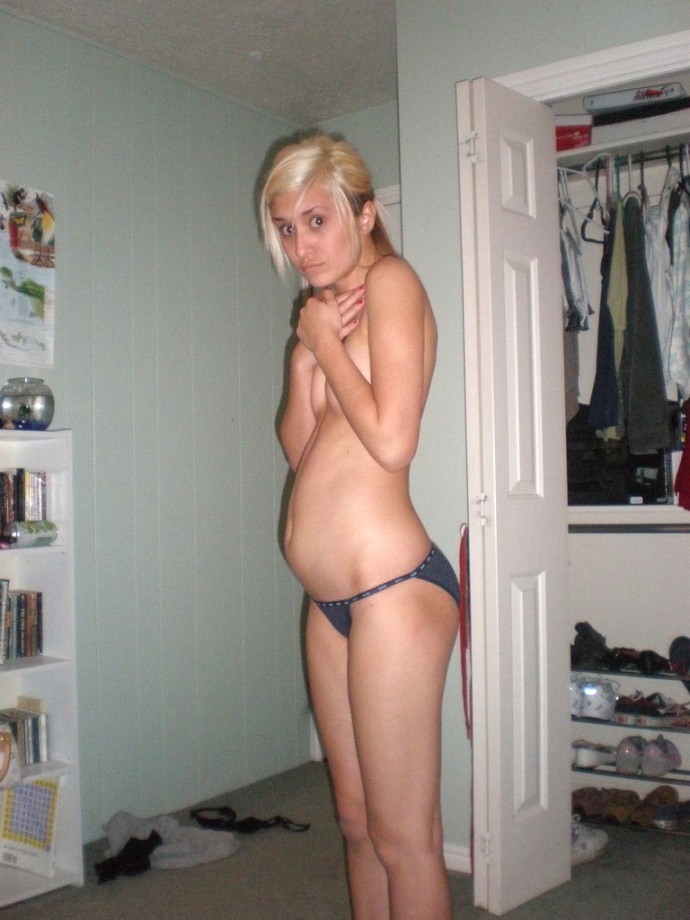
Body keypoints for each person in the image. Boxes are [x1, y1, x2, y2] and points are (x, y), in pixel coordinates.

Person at [259, 132, 459, 920]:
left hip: (393, 591)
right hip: (330, 603)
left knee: (404, 838)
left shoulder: (393, 283)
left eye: (317, 221)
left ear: (365, 213)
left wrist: (323, 346)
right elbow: (302, 451)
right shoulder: (324, 314)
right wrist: (305, 360)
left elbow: (394, 440)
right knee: (356, 823)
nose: (300, 245)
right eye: (286, 228)